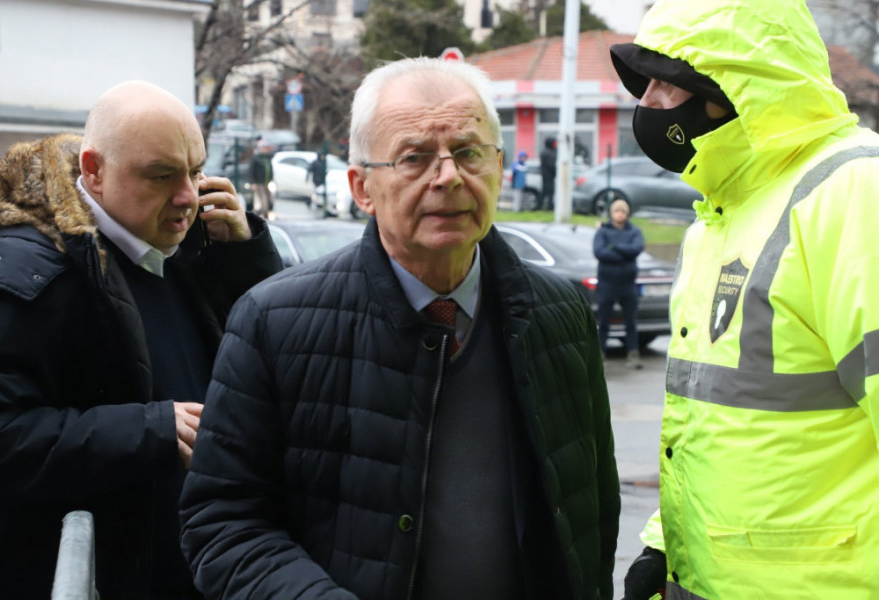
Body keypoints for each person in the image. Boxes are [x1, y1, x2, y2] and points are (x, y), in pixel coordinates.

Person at [180, 57, 620, 600]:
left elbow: (592, 509)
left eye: (469, 152)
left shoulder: (561, 313)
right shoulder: (272, 322)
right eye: (415, 158)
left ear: (500, 167)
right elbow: (223, 523)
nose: (449, 177)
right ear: (361, 187)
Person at [609, 0, 879, 597]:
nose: (646, 101)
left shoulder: (854, 194)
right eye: (642, 82)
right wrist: (665, 539)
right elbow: (719, 425)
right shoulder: (719, 216)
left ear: (731, 85)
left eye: (664, 81)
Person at [0, 81, 282, 599]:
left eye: (196, 171)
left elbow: (276, 362)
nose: (188, 196)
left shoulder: (186, 246)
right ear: (94, 171)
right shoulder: (28, 269)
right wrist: (151, 430)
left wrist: (243, 259)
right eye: (162, 175)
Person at [593, 199, 644, 369]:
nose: (620, 214)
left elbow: (636, 249)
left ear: (627, 214)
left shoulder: (634, 231)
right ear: (612, 213)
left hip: (628, 284)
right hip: (607, 283)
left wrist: (614, 247)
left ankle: (633, 354)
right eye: (617, 211)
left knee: (631, 322)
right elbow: (599, 252)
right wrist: (624, 255)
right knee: (603, 322)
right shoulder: (603, 231)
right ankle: (599, 354)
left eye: (623, 211)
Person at [249, 138, 274, 220]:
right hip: (259, 182)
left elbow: (270, 169)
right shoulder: (256, 158)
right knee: (263, 198)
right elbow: (251, 171)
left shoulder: (267, 158)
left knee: (270, 199)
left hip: (267, 182)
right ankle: (265, 214)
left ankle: (255, 213)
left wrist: (271, 179)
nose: (265, 149)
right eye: (263, 148)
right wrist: (253, 182)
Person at [539, 136, 557, 210]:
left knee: (547, 192)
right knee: (548, 192)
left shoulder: (547, 152)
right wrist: (555, 172)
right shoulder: (548, 153)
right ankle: (548, 206)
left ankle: (543, 206)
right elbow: (551, 165)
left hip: (547, 175)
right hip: (548, 176)